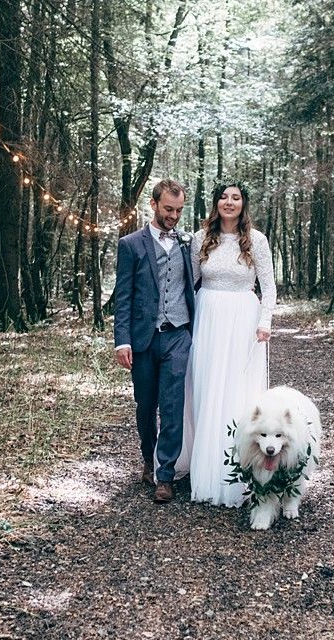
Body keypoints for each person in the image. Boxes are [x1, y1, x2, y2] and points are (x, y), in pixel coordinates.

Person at [184, 179, 277, 507]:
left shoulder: (257, 240)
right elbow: (187, 282)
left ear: (243, 204)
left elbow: (268, 286)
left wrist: (265, 322)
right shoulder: (200, 238)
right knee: (207, 388)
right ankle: (204, 467)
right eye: (223, 197)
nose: (229, 202)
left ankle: (240, 472)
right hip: (207, 317)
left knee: (239, 392)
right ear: (216, 203)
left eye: (235, 197)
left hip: (243, 320)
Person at [114, 179, 195, 503]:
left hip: (178, 335)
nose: (173, 216)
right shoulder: (130, 244)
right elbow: (123, 296)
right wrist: (122, 341)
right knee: (146, 406)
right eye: (168, 209)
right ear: (154, 204)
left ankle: (165, 475)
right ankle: (148, 458)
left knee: (172, 406)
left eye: (178, 210)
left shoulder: (188, 244)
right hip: (144, 339)